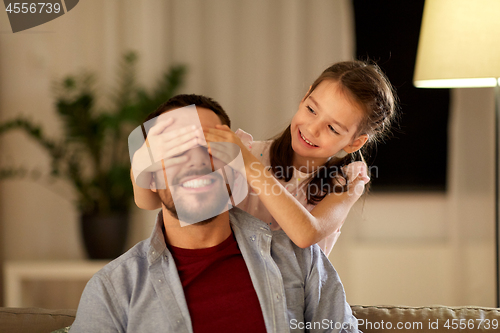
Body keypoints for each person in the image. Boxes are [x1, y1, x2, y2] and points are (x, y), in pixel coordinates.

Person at [70, 94, 360, 333]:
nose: (196, 161)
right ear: (152, 177)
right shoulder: (112, 290)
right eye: (175, 151)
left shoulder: (301, 260)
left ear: (236, 163)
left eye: (211, 146)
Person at [132, 60, 398, 256]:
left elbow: (307, 234)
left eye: (332, 128)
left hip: (297, 296)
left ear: (355, 142)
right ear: (304, 97)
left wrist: (248, 164)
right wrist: (143, 162)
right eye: (311, 109)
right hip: (243, 286)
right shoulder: (252, 151)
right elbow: (153, 201)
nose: (313, 128)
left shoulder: (347, 182)